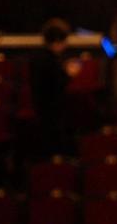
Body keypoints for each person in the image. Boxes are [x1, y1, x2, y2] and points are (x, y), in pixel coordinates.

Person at [29, 18, 81, 157]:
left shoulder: (37, 57)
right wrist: (68, 74)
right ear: (58, 40)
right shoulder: (49, 60)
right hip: (52, 111)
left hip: (40, 109)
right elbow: (56, 86)